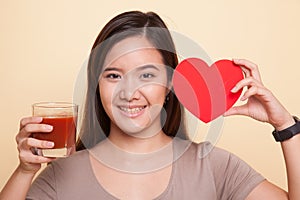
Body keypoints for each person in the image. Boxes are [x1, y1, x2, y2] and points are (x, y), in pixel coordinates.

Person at [0, 11, 299, 200]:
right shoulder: (59, 175)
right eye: (114, 75)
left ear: (171, 84)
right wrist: (25, 171)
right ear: (97, 85)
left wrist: (285, 125)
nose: (130, 92)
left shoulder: (214, 167)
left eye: (146, 75)